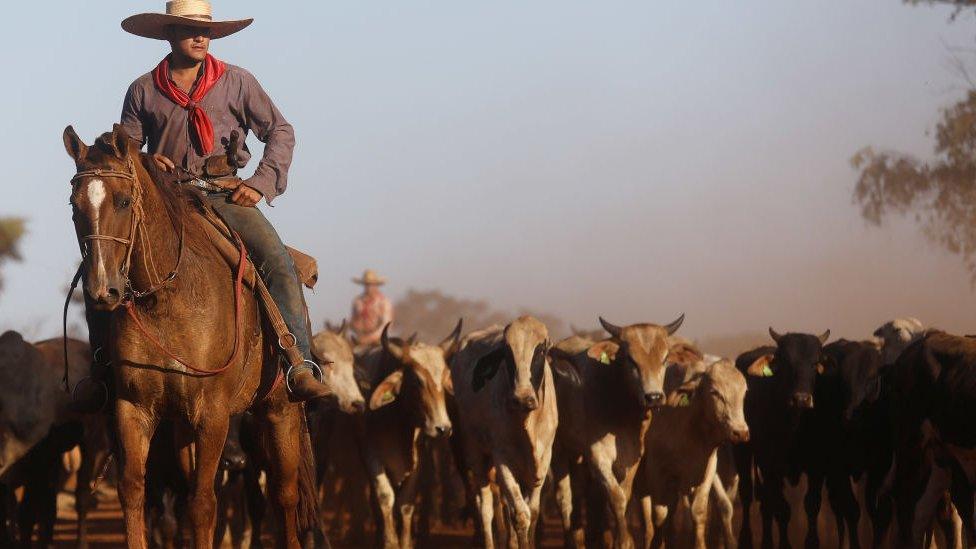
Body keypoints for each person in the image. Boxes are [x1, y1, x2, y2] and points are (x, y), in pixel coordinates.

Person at [72, 0, 330, 411]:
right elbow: (126, 154)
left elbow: (280, 131)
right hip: (167, 199)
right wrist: (144, 161)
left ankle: (300, 363)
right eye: (190, 29)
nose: (200, 37)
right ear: (169, 34)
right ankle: (103, 371)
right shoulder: (142, 89)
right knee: (101, 270)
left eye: (206, 30)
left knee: (277, 262)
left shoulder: (239, 82)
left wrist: (260, 184)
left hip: (225, 193)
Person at [349, 269, 394, 345]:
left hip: (379, 341)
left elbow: (386, 324)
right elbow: (353, 320)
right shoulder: (357, 301)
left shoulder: (384, 302)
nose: (369, 287)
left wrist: (371, 338)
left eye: (372, 284)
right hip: (359, 339)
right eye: (367, 284)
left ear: (377, 285)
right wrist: (355, 330)